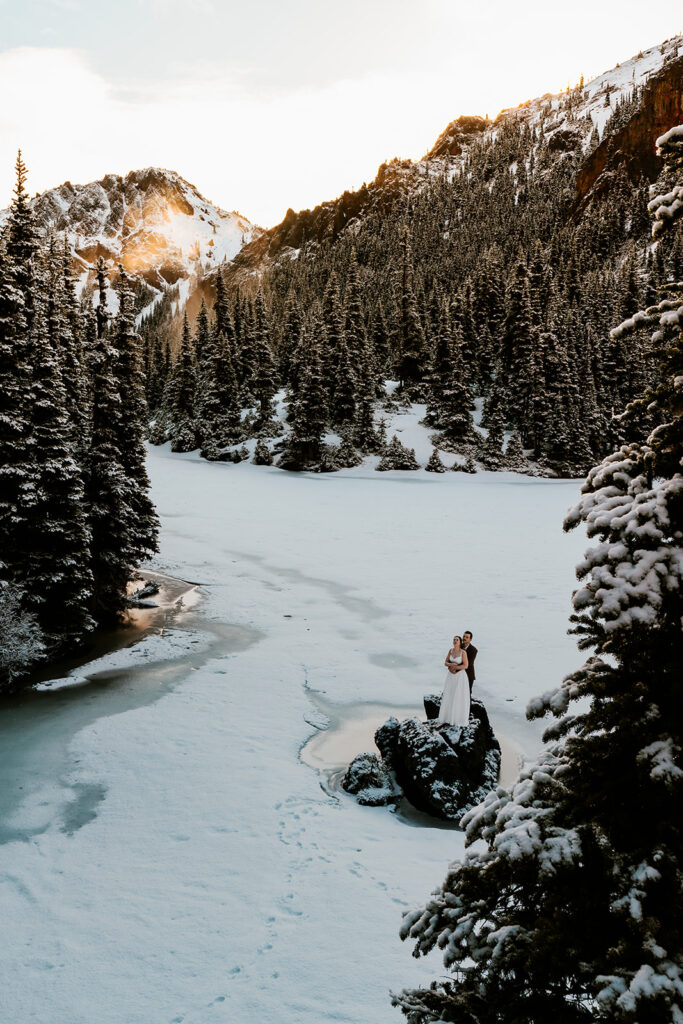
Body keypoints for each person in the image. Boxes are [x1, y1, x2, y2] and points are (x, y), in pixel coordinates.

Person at [436, 635, 470, 727]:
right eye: (454, 640)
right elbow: (445, 662)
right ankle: (447, 717)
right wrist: (450, 665)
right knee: (449, 694)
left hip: (460, 677)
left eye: (457, 640)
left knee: (458, 695)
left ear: (460, 642)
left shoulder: (463, 652)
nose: (455, 641)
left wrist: (455, 667)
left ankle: (457, 718)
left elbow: (466, 665)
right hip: (450, 676)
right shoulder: (450, 651)